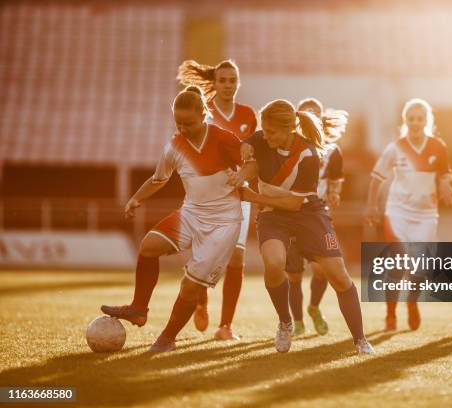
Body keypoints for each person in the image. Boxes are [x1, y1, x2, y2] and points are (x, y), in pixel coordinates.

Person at [101, 86, 246, 352]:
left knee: (189, 286)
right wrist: (136, 198)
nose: (182, 128)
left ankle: (167, 337)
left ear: (203, 115)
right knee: (149, 246)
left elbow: (251, 161)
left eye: (188, 122)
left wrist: (245, 175)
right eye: (178, 122)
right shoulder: (174, 145)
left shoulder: (223, 138)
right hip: (191, 213)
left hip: (223, 224)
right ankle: (138, 308)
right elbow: (159, 178)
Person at [233, 99, 374, 354]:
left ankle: (360, 339)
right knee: (274, 264)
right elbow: (253, 153)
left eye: (271, 131)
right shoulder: (262, 138)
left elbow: (293, 204)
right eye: (264, 130)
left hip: (308, 214)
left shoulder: (309, 155)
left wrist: (253, 197)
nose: (266, 135)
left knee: (340, 277)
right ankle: (286, 323)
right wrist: (241, 167)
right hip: (272, 217)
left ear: (289, 129)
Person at [177, 59, 258, 340]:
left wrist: (259, 194)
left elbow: (255, 158)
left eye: (232, 80)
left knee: (237, 256)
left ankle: (226, 326)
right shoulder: (203, 114)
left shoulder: (249, 115)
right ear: (215, 83)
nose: (228, 85)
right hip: (207, 199)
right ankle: (201, 301)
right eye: (223, 80)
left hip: (239, 196)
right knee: (206, 258)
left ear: (238, 83)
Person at [365, 98, 452, 331]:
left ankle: (412, 302)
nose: (415, 123)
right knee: (398, 262)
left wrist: (445, 184)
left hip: (426, 215)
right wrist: (371, 206)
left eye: (420, 118)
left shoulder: (438, 147)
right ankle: (391, 314)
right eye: (411, 118)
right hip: (397, 213)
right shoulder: (396, 147)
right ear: (405, 121)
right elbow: (376, 177)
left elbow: (445, 173)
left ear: (427, 121)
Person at [285, 97, 347, 337]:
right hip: (289, 214)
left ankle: (314, 307)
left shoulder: (331, 149)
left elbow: (335, 179)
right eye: (305, 113)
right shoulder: (289, 146)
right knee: (294, 275)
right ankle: (297, 321)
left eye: (315, 114)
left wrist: (333, 194)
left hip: (316, 215)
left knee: (321, 270)